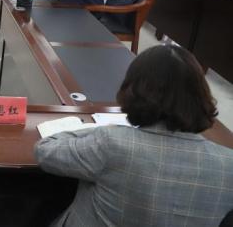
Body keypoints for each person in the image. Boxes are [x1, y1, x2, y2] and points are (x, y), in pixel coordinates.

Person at [35, 45, 233, 227]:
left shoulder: (113, 143)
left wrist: (99, 129)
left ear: (134, 92)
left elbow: (45, 151)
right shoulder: (228, 164)